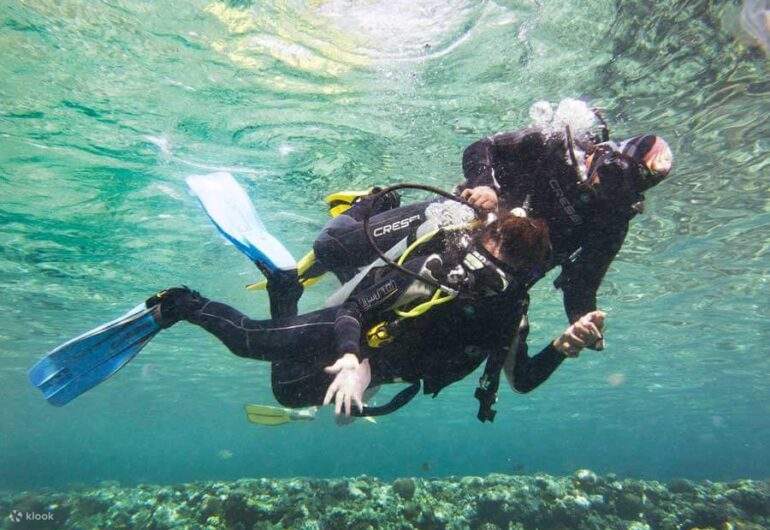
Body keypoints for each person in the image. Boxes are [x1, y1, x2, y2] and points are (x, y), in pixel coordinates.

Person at [28, 173, 605, 421]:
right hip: (353, 336)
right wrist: (353, 360)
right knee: (250, 342)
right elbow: (354, 308)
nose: (486, 275)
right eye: (488, 254)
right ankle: (177, 303)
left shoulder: (513, 310)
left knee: (285, 394)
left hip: (380, 365)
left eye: (507, 272)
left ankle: (285, 285)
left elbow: (521, 379)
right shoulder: (437, 262)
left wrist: (560, 344)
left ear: (525, 277)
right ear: (481, 237)